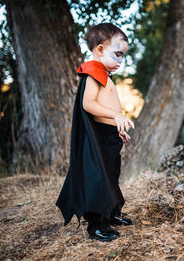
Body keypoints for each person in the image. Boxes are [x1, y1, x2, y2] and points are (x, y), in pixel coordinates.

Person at [56, 23, 135, 242]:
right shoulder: (92, 74)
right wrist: (117, 116)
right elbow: (88, 104)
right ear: (99, 49)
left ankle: (111, 214)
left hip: (108, 135)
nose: (121, 61)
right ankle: (97, 225)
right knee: (99, 179)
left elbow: (105, 107)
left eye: (123, 56)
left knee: (111, 175)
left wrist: (116, 127)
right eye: (117, 55)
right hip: (96, 138)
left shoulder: (104, 74)